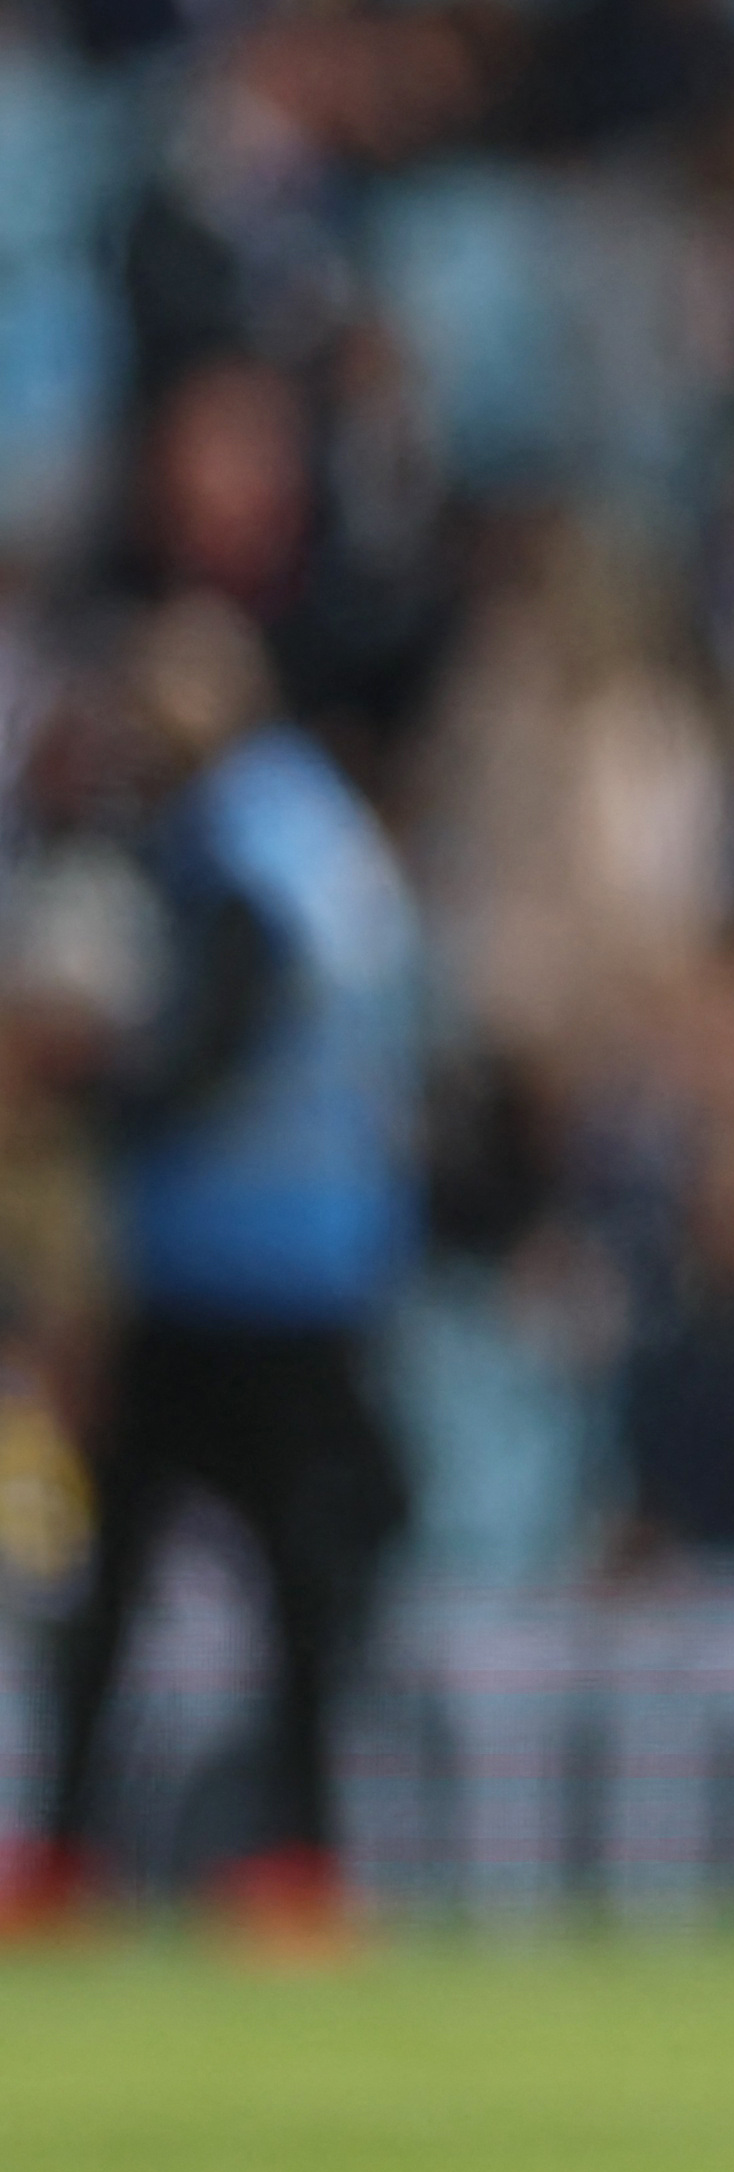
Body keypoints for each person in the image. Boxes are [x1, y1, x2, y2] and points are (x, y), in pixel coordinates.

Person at [2, 598, 421, 1950]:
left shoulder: (240, 845)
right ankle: (288, 1858)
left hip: (226, 1274)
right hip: (314, 1266)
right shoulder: (316, 831)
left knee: (132, 1582)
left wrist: (79, 1082)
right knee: (275, 1584)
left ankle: (94, 1851)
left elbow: (203, 1055)